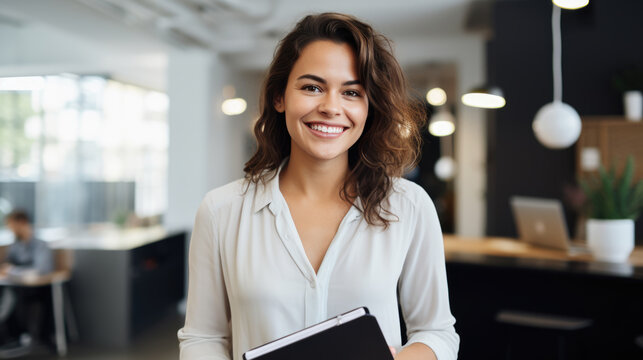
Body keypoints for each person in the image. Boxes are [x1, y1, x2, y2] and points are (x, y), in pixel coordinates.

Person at [178, 12, 459, 360]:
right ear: (280, 97)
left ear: (369, 107)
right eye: (312, 87)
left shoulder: (409, 206)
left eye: (352, 92)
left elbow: (437, 333)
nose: (330, 107)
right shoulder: (222, 211)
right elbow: (203, 338)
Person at [0, 209, 54, 356]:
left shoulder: (39, 245)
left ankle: (23, 337)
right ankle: (10, 337)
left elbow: (41, 270)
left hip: (36, 288)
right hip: (15, 286)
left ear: (22, 223)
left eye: (12, 226)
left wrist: (13, 271)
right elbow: (7, 264)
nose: (11, 230)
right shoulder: (16, 245)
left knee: (17, 297)